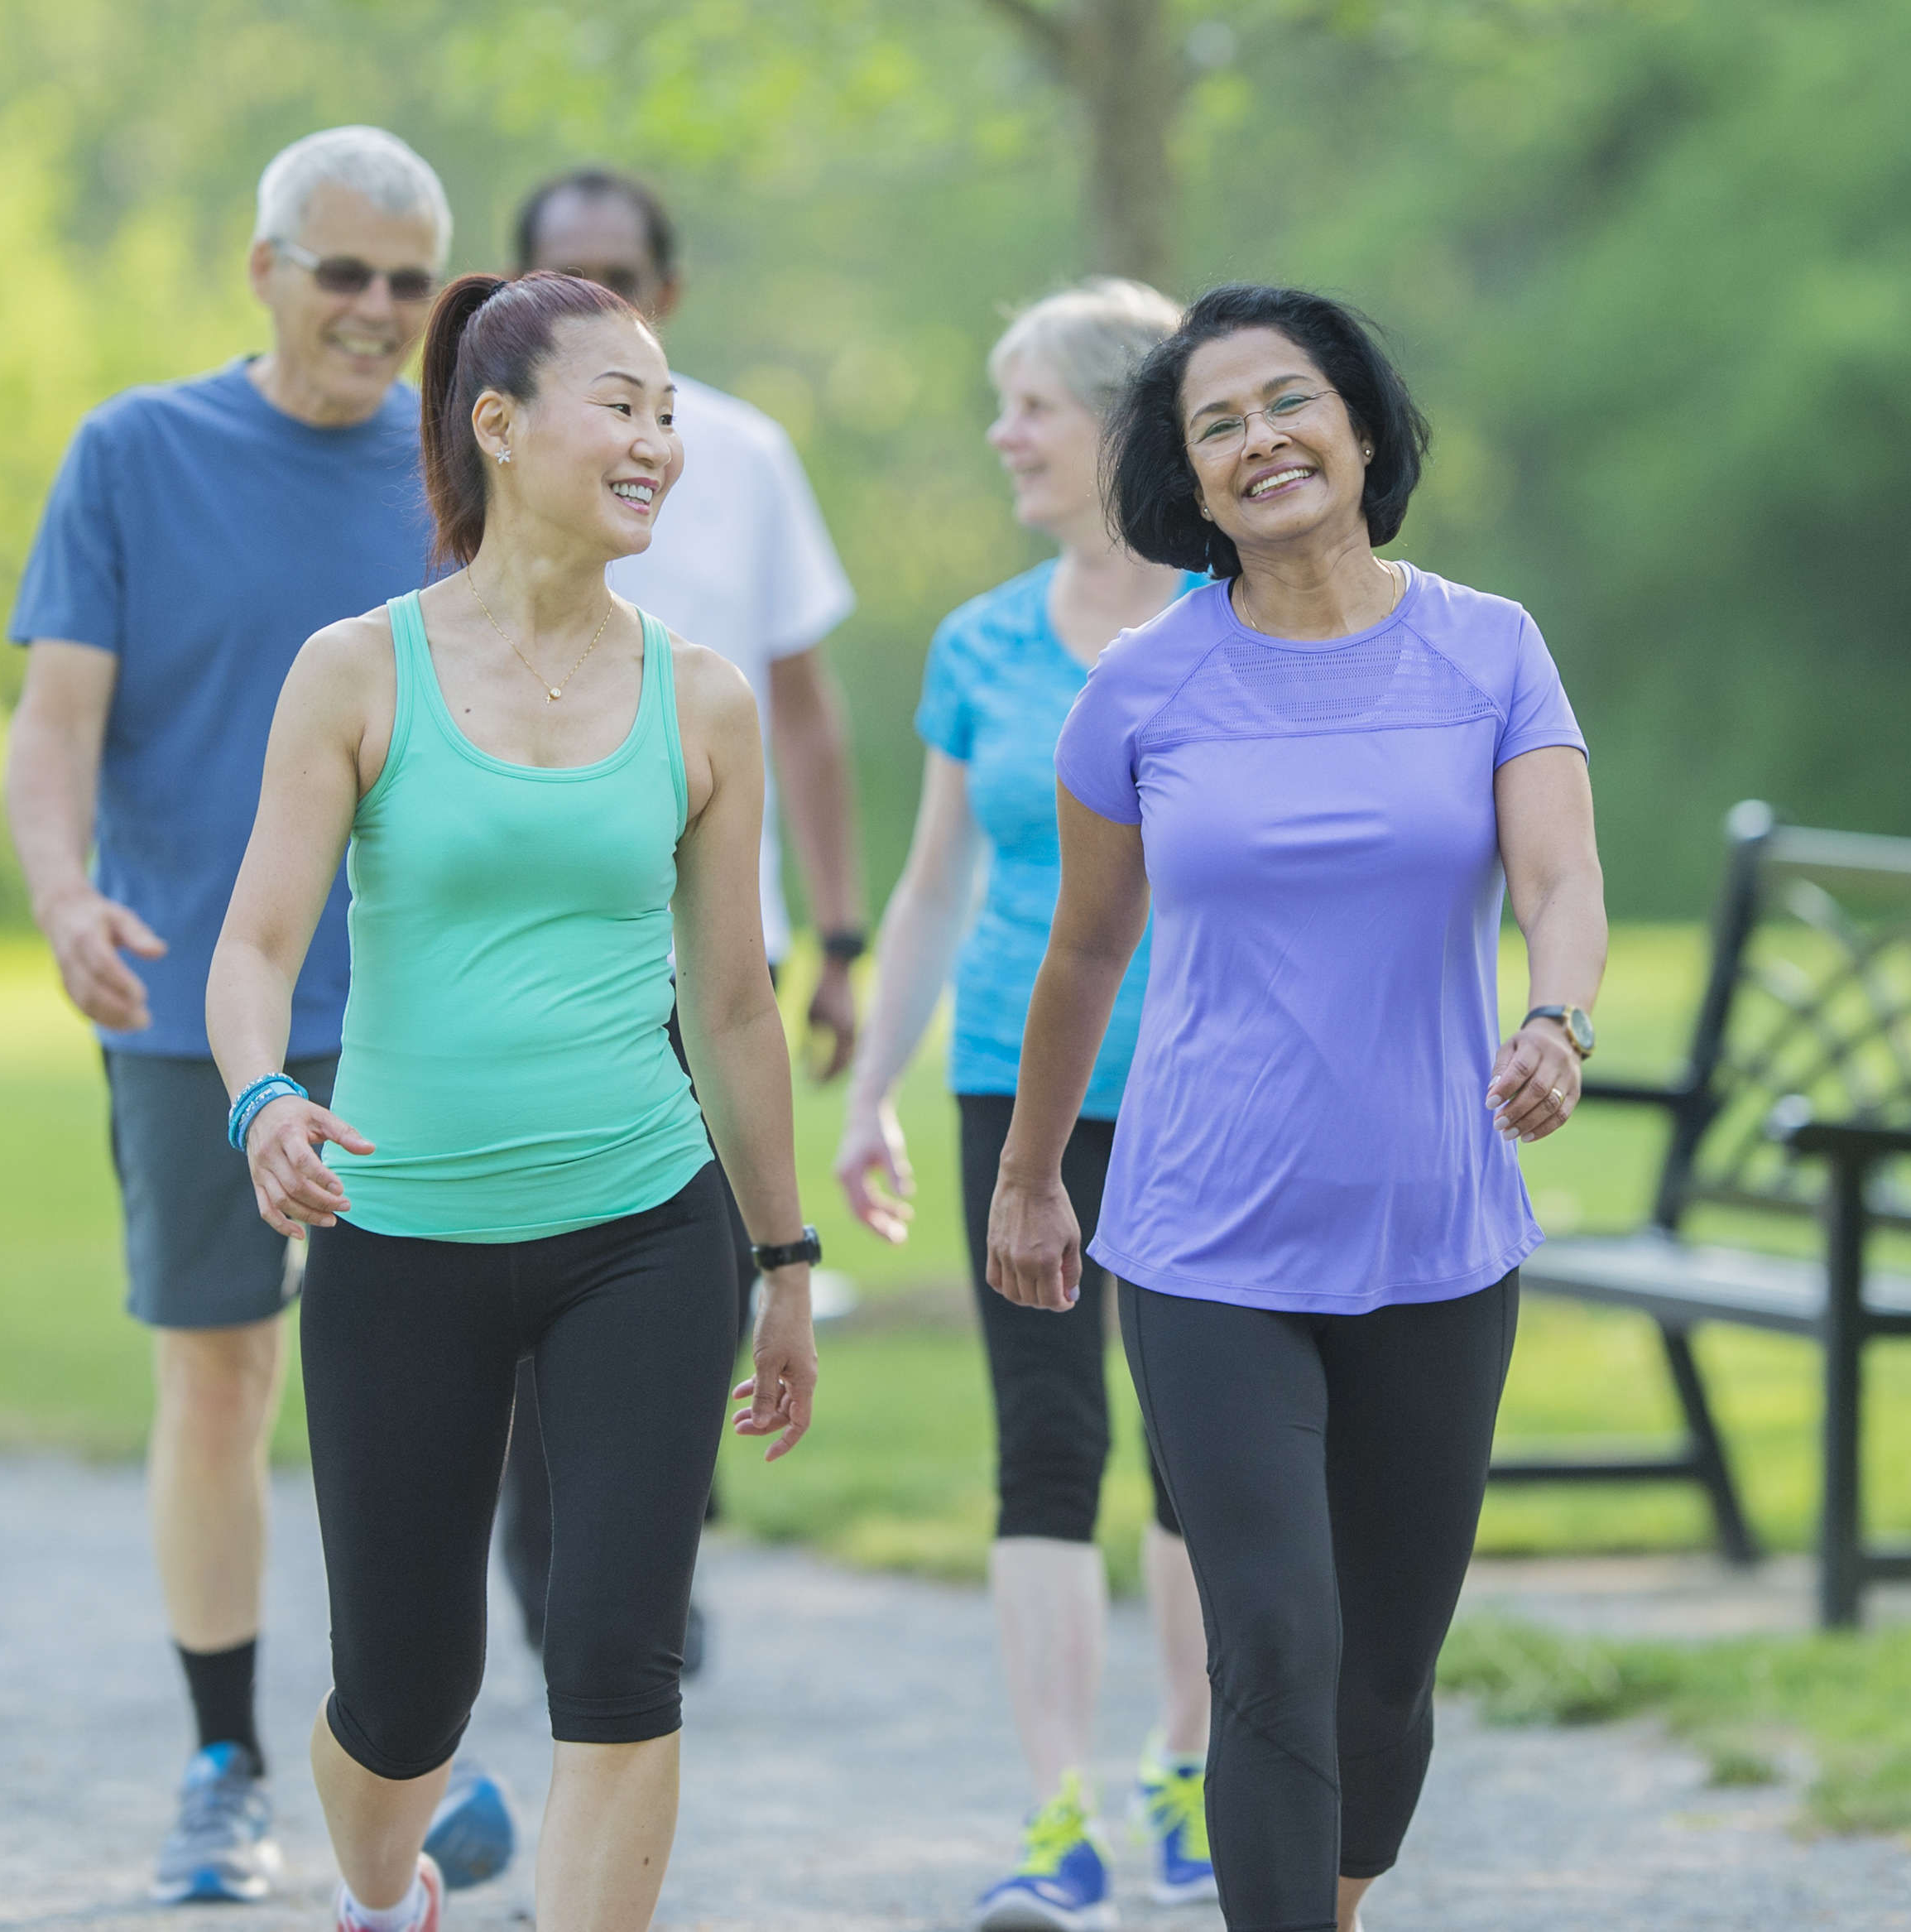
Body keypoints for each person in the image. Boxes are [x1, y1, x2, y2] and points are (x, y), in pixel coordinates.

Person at [207, 269, 821, 1932]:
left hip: (641, 1228)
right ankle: (378, 1889)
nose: (657, 442)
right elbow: (255, 942)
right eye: (620, 403)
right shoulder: (358, 673)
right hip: (398, 1232)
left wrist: (783, 1264)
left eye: (667, 411)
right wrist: (263, 1096)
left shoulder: (699, 698)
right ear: (497, 425)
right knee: (403, 1693)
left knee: (620, 1653)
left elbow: (739, 1005)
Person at [987, 283, 1606, 1932]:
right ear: (1182, 484)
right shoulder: (1138, 684)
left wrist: (1555, 1018)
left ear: (1354, 423)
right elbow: (1081, 954)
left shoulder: (1488, 648)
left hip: (1435, 1231)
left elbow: (1559, 880)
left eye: (1286, 402)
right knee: (1272, 1642)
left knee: (1383, 1683)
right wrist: (1031, 1176)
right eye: (1214, 424)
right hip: (1202, 1239)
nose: (1259, 439)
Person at [3, 127, 511, 1906]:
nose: (372, 313)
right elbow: (57, 721)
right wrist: (65, 893)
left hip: (424, 1010)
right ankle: (223, 1763)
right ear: (264, 267)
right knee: (219, 1379)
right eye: (340, 272)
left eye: (404, 282)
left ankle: (404, 1747)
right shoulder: (137, 453)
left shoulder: (463, 465)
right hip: (189, 1002)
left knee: (427, 1394)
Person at [833, 279, 1215, 1931]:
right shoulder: (978, 641)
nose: (1000, 434)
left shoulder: (1234, 618)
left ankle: (1193, 1776)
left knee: (1204, 1451)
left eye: (1030, 406)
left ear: (1122, 420)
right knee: (1045, 1442)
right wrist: (869, 1094)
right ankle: (1055, 1813)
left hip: (1209, 1084)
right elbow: (929, 889)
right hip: (1018, 1086)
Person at [496, 165, 863, 1668]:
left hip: (717, 931)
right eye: (564, 278)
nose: (601, 302)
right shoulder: (481, 455)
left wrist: (840, 935)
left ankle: (648, 1538)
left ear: (671, 290)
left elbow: (808, 709)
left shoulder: (750, 455)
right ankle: (549, 1558)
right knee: (526, 1252)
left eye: (623, 277)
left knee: (706, 1256)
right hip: (532, 934)